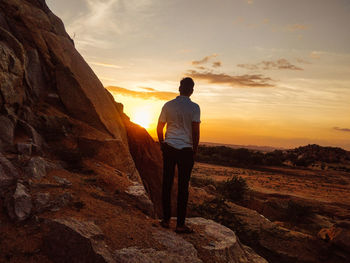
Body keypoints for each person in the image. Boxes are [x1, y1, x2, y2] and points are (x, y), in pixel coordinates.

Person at [157, 77, 200, 233]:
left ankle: (166, 220)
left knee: (167, 184)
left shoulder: (168, 105)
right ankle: (180, 225)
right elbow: (195, 131)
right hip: (186, 150)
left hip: (169, 147)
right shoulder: (194, 108)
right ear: (191, 90)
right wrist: (194, 150)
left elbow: (159, 127)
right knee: (183, 187)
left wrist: (162, 144)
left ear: (179, 88)